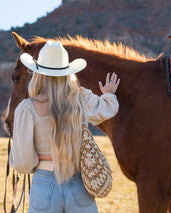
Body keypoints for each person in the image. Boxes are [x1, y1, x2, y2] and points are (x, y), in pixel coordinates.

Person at [9, 40, 120, 213]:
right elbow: (107, 109)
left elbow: (23, 164)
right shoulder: (81, 98)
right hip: (78, 184)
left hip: (43, 186)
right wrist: (109, 95)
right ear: (67, 72)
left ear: (38, 73)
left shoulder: (26, 109)